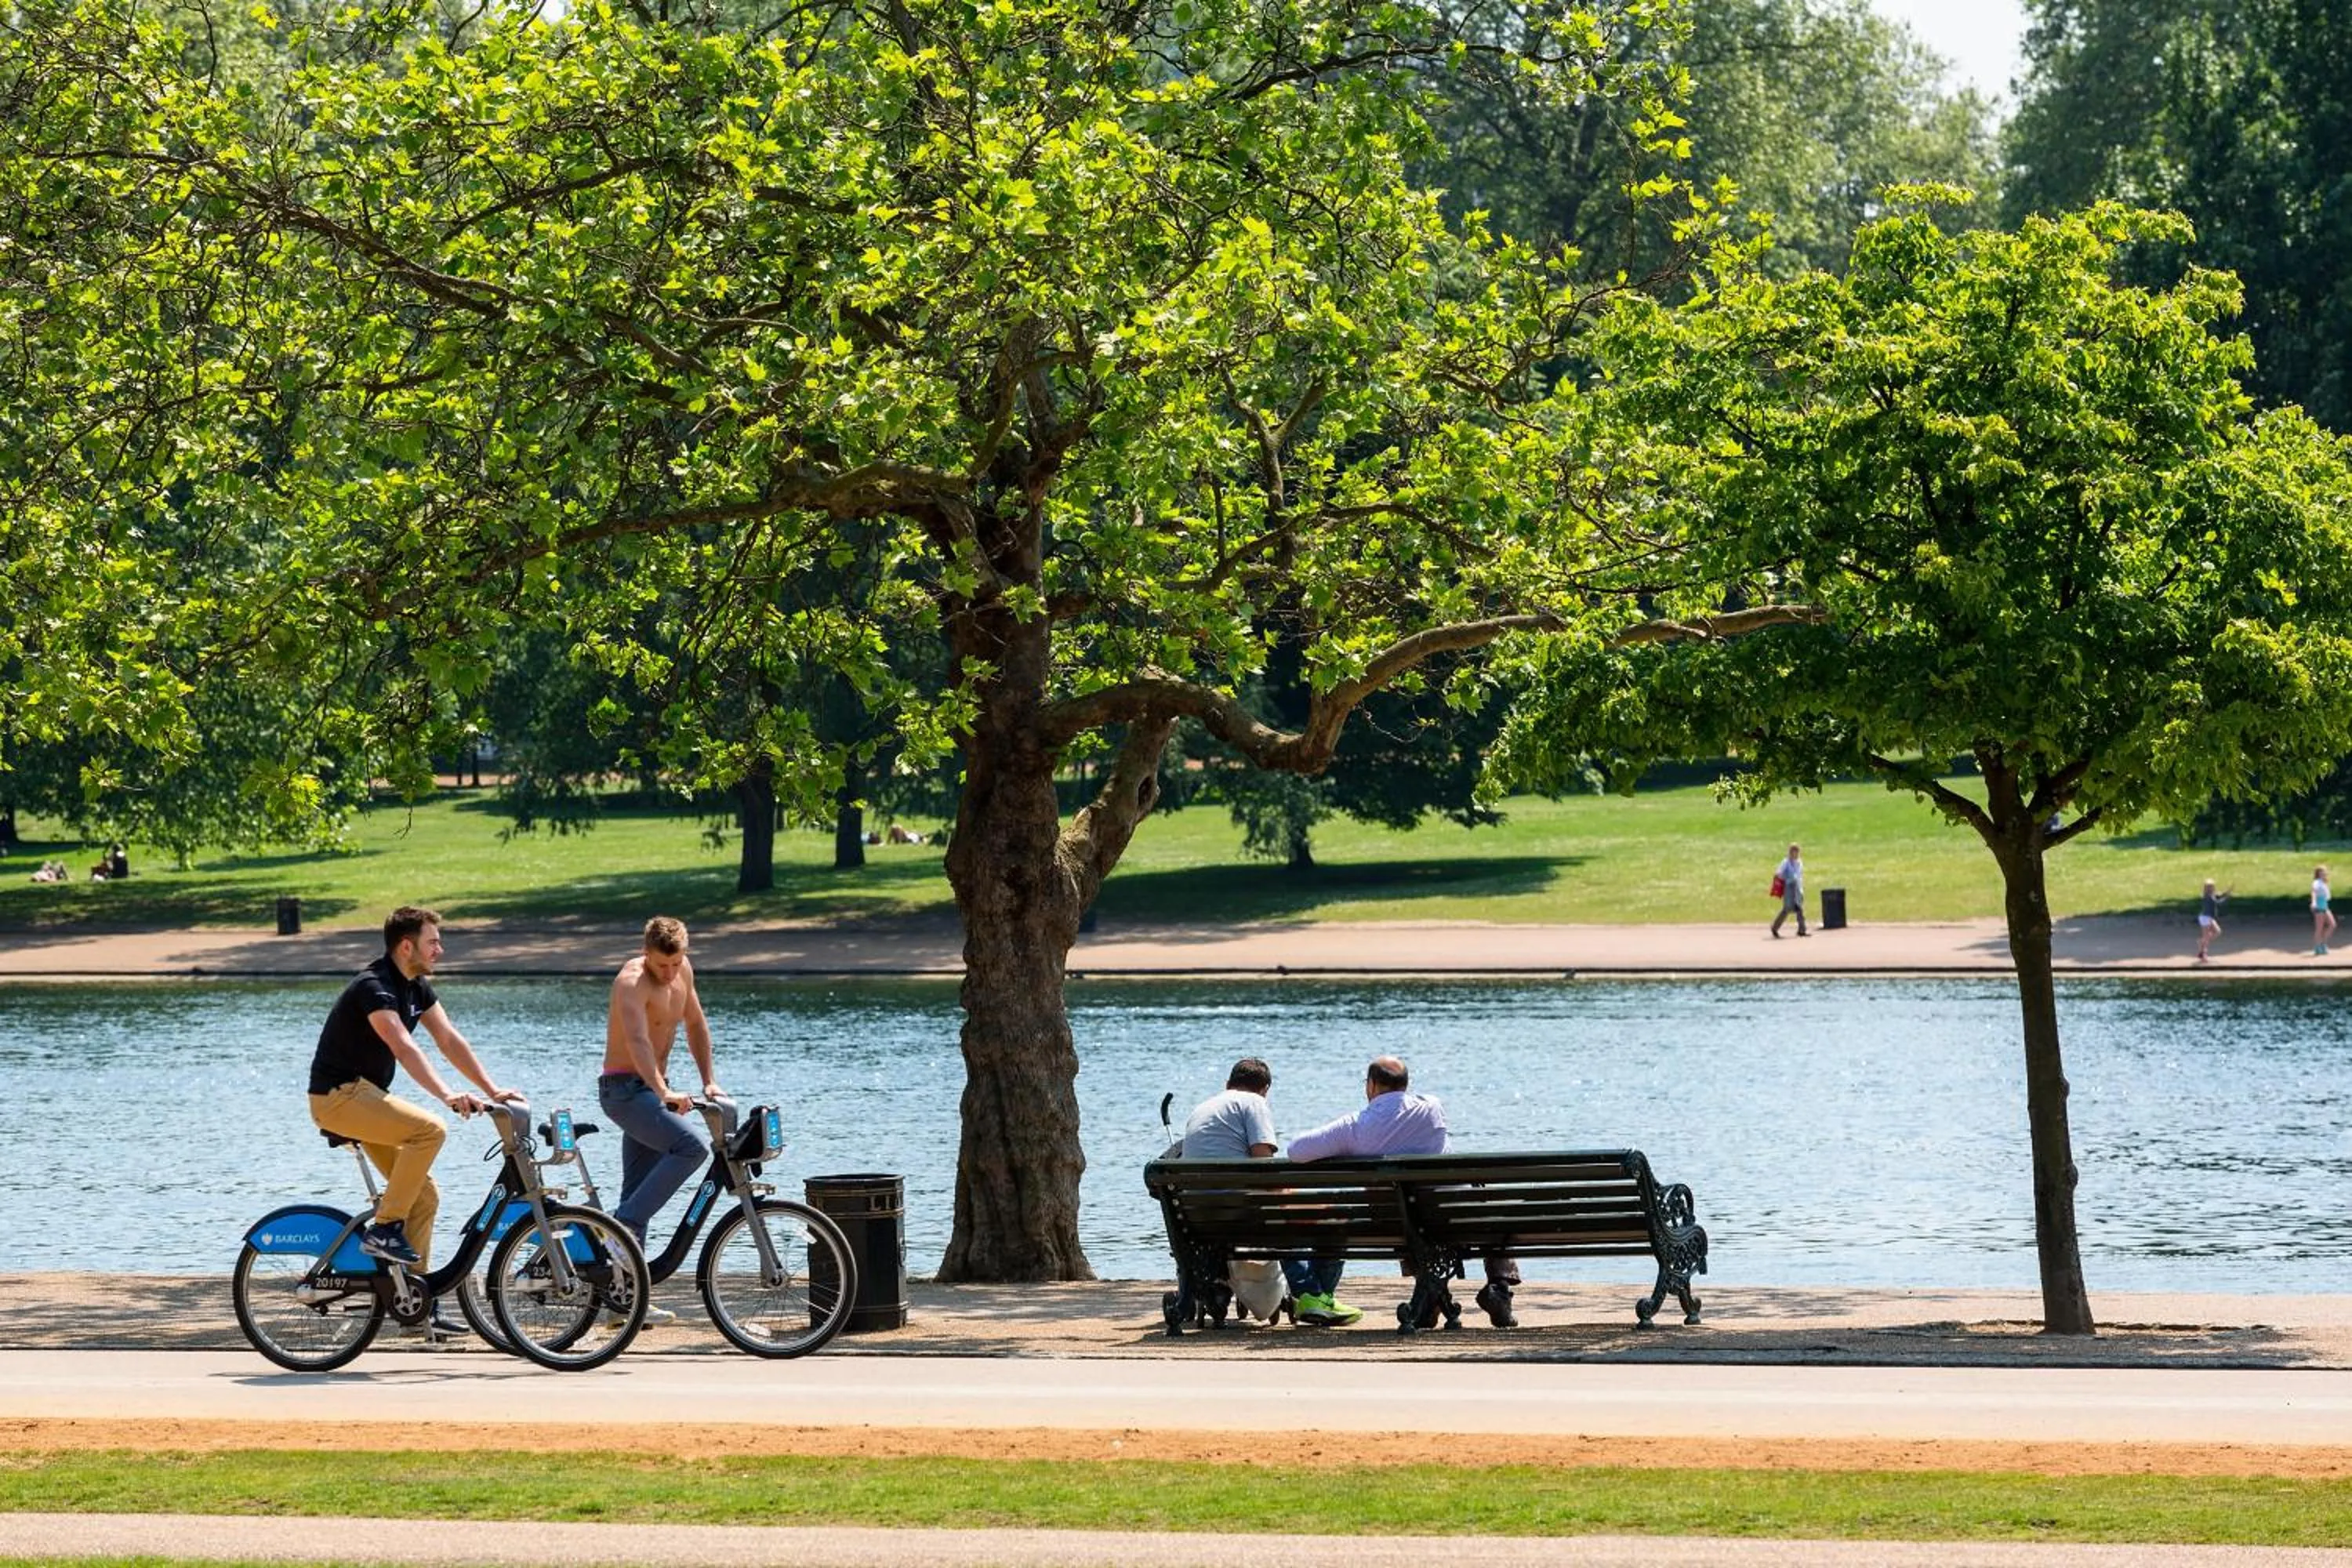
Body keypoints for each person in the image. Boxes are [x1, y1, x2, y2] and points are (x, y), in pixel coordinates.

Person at [308, 906, 522, 1335]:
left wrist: (492, 1089)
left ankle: (414, 1304)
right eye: (432, 942)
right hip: (339, 1097)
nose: (440, 949)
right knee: (430, 1130)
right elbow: (404, 1047)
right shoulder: (375, 986)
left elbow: (448, 1039)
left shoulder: (415, 986)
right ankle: (384, 1229)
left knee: (423, 1196)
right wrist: (446, 1095)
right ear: (407, 946)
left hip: (366, 1096)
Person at [1283, 1056, 1522, 1328]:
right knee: (1491, 1209)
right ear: (1406, 1085)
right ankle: (1498, 1291)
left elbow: (1296, 1151)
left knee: (1409, 1216)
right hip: (1453, 1218)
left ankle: (1429, 1299)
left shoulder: (1355, 1127)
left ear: (1371, 1085)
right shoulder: (1432, 1108)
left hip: (1391, 1225)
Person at [597, 916, 722, 1322]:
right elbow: (636, 1040)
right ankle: (621, 1228)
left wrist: (709, 1083)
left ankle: (623, 1300)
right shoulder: (630, 982)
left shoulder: (683, 969)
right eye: (661, 965)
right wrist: (664, 1093)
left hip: (654, 1089)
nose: (669, 973)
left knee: (637, 1189)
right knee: (691, 1148)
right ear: (645, 952)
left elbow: (696, 1024)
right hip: (625, 1091)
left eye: (675, 964)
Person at [1178, 1057, 1286, 1322]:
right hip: (1237, 1214)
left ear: (1228, 1084)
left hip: (1197, 1217)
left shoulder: (1202, 1107)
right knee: (1292, 1210)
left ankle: (1213, 1285)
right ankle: (1306, 1292)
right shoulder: (1255, 1103)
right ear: (1265, 1090)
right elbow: (1263, 1163)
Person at [1769, 843, 1808, 938]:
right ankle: (1775, 928)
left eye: (1797, 852)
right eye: (1793, 852)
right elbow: (1778, 874)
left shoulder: (1799, 862)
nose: (1795, 854)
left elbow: (1799, 876)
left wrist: (1800, 889)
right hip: (1789, 887)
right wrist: (1787, 878)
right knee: (1787, 909)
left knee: (1799, 908)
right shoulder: (1786, 862)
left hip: (1797, 887)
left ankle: (1802, 930)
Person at [2195, 879, 2230, 962]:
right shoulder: (2208, 897)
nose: (2213, 888)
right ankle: (2203, 955)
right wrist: (2227, 898)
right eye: (2212, 887)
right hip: (2205, 918)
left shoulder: (2211, 895)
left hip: (2209, 917)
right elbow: (2218, 903)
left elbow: (2218, 895)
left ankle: (2201, 942)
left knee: (2218, 932)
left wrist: (2227, 892)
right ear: (2208, 888)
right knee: (2207, 937)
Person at [2314, 866, 2336, 956]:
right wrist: (2313, 902)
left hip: (2325, 906)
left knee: (2332, 924)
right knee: (2319, 928)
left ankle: (2323, 943)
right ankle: (2318, 947)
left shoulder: (2324, 883)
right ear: (2318, 874)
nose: (2324, 874)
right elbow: (2313, 892)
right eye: (2322, 872)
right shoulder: (2316, 883)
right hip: (2319, 906)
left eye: (2325, 872)